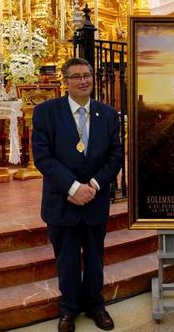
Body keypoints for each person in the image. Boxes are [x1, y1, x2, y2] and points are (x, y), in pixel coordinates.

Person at [32, 57, 123, 332]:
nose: (83, 81)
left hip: (94, 199)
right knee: (67, 259)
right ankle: (69, 308)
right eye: (76, 76)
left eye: (87, 75)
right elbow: (43, 157)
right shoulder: (46, 112)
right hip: (62, 201)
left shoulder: (107, 114)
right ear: (66, 81)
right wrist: (73, 188)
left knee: (95, 257)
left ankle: (96, 305)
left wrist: (93, 186)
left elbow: (115, 155)